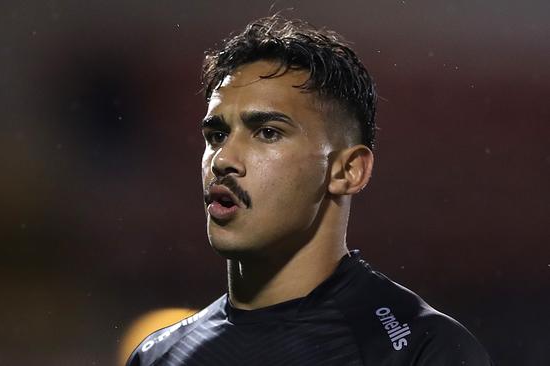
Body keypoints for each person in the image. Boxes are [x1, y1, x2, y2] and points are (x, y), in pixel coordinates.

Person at [126, 16, 493, 366]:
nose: (223, 160)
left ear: (347, 171)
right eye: (216, 136)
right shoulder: (159, 356)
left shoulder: (419, 350)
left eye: (267, 132)